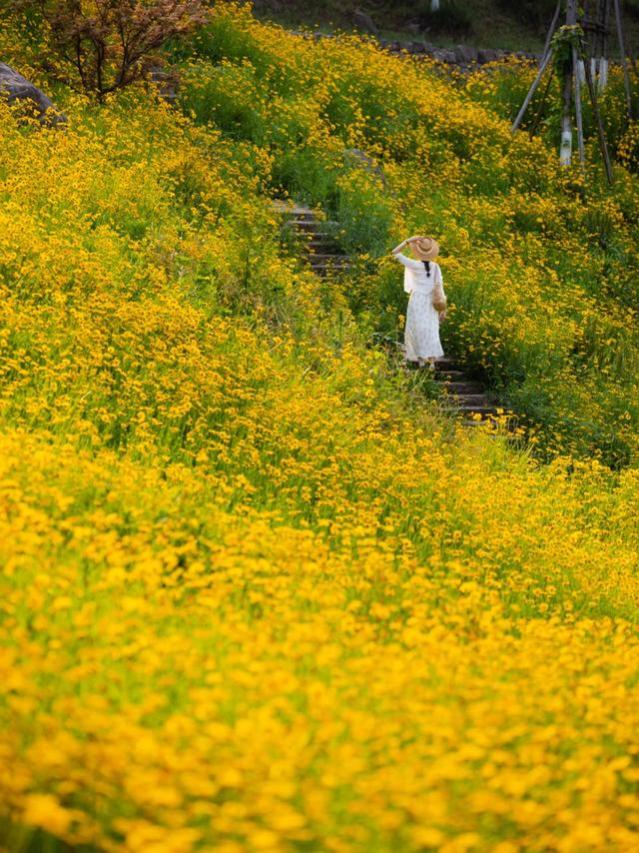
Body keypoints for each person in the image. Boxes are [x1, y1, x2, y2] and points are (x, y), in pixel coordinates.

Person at [391, 235, 447, 368]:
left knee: (417, 328)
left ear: (418, 251)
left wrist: (407, 241)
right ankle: (432, 362)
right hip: (431, 301)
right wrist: (443, 308)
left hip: (417, 300)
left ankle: (421, 361)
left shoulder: (414, 264)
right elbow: (439, 286)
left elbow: (395, 253)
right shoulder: (435, 267)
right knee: (431, 328)